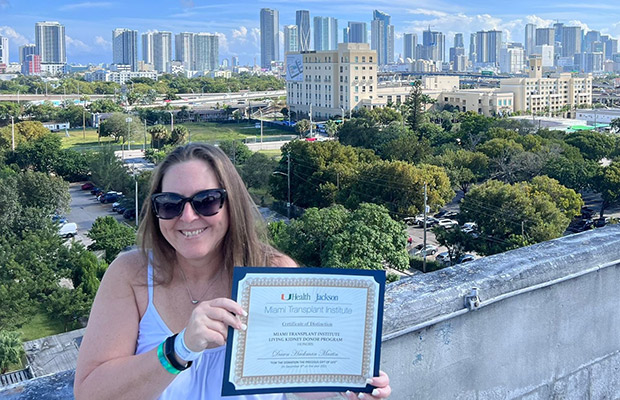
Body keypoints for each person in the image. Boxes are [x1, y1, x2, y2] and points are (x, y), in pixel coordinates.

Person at [74, 143, 391, 400]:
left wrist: (353, 390)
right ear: (156, 210)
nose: (187, 217)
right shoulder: (131, 275)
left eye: (206, 201)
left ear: (231, 205)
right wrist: (178, 348)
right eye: (170, 203)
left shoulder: (273, 273)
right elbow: (89, 393)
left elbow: (305, 383)